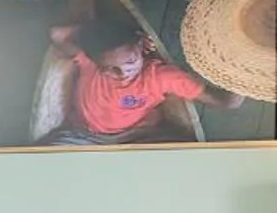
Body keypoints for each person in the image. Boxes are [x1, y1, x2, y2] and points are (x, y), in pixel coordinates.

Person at [48, 16, 245, 140]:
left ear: (141, 46)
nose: (123, 73)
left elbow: (226, 102)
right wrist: (95, 29)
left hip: (132, 136)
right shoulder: (88, 62)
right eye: (109, 69)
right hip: (81, 133)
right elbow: (56, 34)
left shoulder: (160, 77)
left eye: (131, 62)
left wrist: (244, 76)